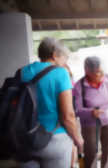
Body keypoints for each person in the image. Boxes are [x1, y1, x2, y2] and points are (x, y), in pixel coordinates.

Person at [20, 37, 84, 168]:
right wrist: (78, 139)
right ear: (55, 55)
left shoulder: (23, 71)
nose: (65, 62)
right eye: (65, 58)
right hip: (54, 140)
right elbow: (68, 116)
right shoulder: (60, 73)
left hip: (25, 139)